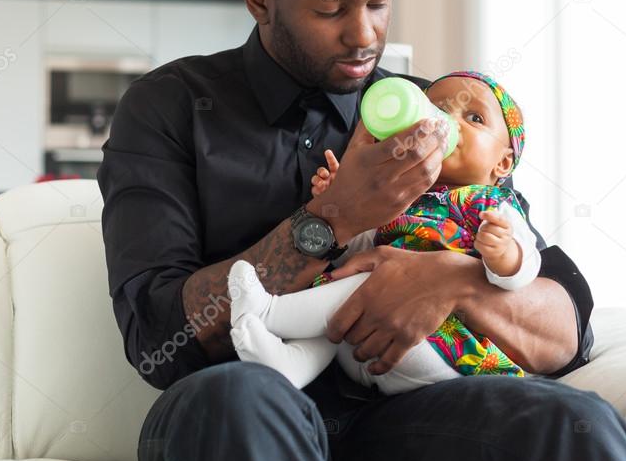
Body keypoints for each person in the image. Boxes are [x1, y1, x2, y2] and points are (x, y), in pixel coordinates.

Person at [98, 0, 626, 461]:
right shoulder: (168, 107)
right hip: (240, 398)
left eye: (379, 2)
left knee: (575, 422)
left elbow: (567, 326)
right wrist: (333, 217)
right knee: (243, 397)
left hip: (403, 406)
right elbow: (156, 337)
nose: (365, 35)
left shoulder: (431, 112)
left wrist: (451, 279)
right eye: (331, 7)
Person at [228, 70, 545, 393]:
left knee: (379, 281)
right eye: (437, 110)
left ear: (503, 164)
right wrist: (339, 201)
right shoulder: (401, 194)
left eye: (474, 117)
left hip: (440, 345)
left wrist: (504, 254)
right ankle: (291, 365)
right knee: (344, 280)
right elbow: (358, 252)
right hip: (361, 347)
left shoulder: (490, 203)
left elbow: (527, 267)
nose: (447, 123)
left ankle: (269, 312)